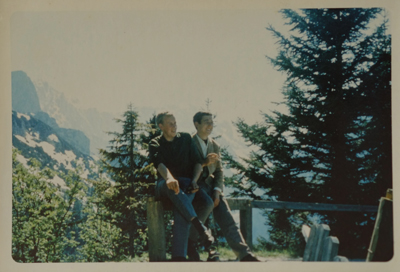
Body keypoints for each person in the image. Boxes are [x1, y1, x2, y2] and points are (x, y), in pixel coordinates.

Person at [187, 111, 260, 262]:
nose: (210, 125)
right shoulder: (188, 142)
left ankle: (244, 254)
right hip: (195, 187)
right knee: (203, 211)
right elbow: (185, 168)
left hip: (211, 188)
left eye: (211, 122)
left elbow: (219, 171)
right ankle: (190, 243)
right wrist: (204, 162)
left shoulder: (215, 145)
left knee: (227, 217)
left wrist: (217, 190)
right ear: (196, 124)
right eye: (206, 122)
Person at [148, 111, 215, 261]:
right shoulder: (155, 143)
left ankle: (187, 247)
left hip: (186, 183)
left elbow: (198, 162)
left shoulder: (185, 138)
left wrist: (194, 181)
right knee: (175, 190)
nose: (174, 126)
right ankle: (200, 231)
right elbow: (159, 165)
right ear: (161, 126)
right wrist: (170, 178)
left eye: (175, 123)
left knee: (207, 202)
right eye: (170, 124)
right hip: (164, 184)